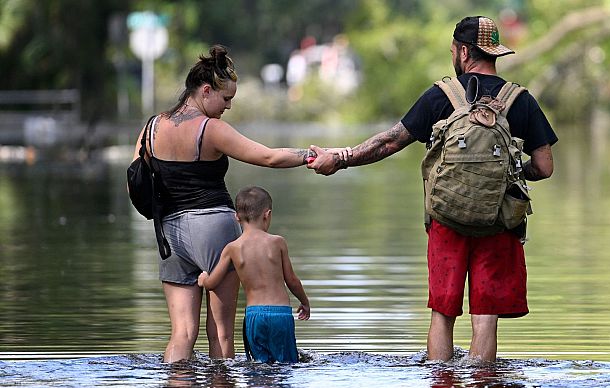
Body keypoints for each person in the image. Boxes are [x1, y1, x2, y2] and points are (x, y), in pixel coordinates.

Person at [307, 16, 558, 362]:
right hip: (499, 222)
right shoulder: (520, 100)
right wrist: (510, 172)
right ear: (493, 53)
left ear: (464, 52)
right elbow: (544, 167)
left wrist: (341, 158)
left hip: (446, 222)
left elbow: (389, 142)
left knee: (443, 314)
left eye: (454, 50)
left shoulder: (442, 96)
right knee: (485, 321)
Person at [131, 45, 318, 363]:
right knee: (220, 333)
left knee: (181, 334)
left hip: (169, 236)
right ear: (206, 91)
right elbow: (268, 157)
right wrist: (311, 155)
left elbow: (134, 182)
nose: (228, 107)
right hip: (214, 229)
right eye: (226, 98)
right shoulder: (210, 129)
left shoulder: (151, 128)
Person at [198, 186, 310, 363]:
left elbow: (212, 283)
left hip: (254, 316)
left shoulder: (232, 248)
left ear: (236, 217)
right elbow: (292, 280)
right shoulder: (277, 242)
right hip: (280, 315)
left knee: (258, 369)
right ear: (267, 214)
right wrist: (304, 301)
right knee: (286, 365)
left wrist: (203, 279)